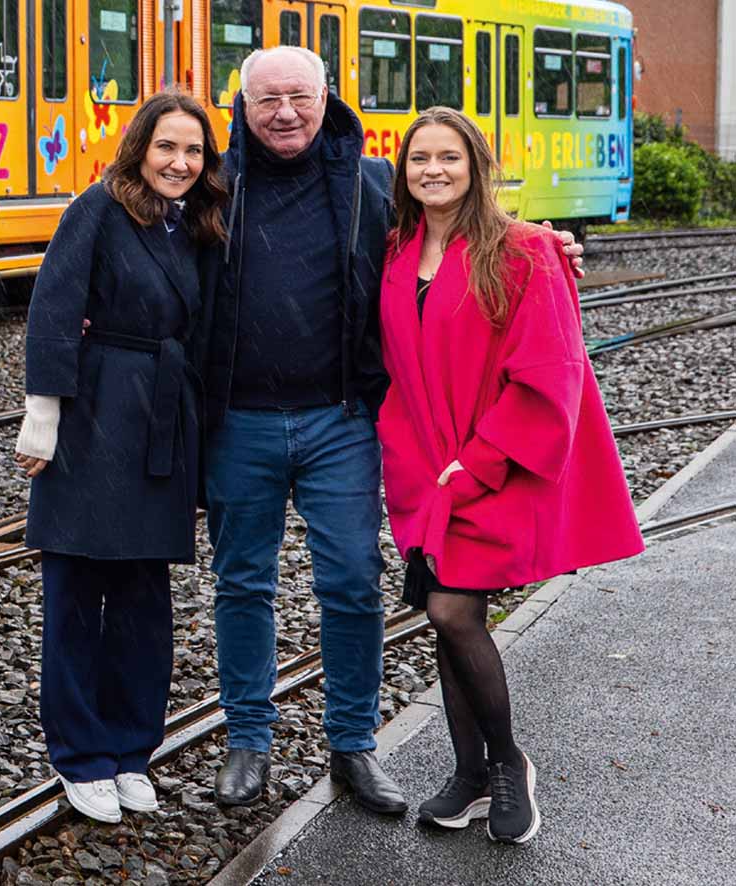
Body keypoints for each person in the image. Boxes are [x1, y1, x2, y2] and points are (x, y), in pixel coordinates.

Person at [197, 46, 586, 815]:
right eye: (267, 99)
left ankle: (353, 747)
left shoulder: (371, 184)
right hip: (239, 420)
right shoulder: (214, 190)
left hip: (341, 420)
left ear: (325, 97)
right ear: (239, 106)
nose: (284, 113)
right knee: (243, 582)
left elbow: (460, 236)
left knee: (351, 582)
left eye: (299, 98)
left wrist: (553, 247)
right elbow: (144, 241)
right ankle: (249, 741)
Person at [377, 106, 644, 843]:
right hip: (426, 469)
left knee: (453, 612)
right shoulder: (397, 250)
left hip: (490, 464)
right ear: (403, 171)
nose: (433, 169)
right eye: (419, 158)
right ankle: (467, 777)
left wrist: (481, 459)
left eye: (449, 158)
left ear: (477, 166)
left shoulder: (522, 250)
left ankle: (506, 766)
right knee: (445, 613)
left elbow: (550, 375)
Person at [13, 92, 227, 823]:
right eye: (167, 147)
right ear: (139, 147)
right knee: (76, 591)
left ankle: (131, 750)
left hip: (164, 422)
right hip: (94, 411)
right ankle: (79, 755)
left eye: (193, 151)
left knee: (143, 598)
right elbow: (53, 302)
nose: (180, 162)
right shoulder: (98, 208)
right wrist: (44, 410)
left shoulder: (195, 225)